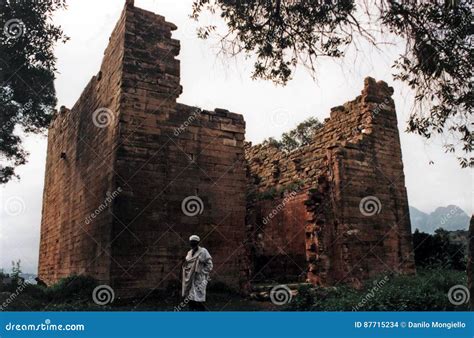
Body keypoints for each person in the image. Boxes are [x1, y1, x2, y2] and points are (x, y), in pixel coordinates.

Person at [181, 235, 213, 311]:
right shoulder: (189, 253)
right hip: (189, 279)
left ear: (198, 242)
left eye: (194, 242)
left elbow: (210, 265)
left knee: (199, 299)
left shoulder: (203, 251)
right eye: (191, 242)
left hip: (199, 279)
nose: (193, 244)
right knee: (190, 299)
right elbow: (187, 264)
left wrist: (201, 272)